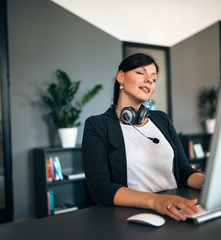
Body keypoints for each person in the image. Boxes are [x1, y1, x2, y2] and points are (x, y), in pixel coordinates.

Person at [82, 53, 205, 221]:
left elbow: (184, 171)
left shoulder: (161, 119)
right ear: (121, 76)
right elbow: (99, 188)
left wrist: (210, 183)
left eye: (154, 79)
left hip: (176, 208)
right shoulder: (97, 125)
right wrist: (156, 201)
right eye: (141, 73)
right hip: (136, 215)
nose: (149, 80)